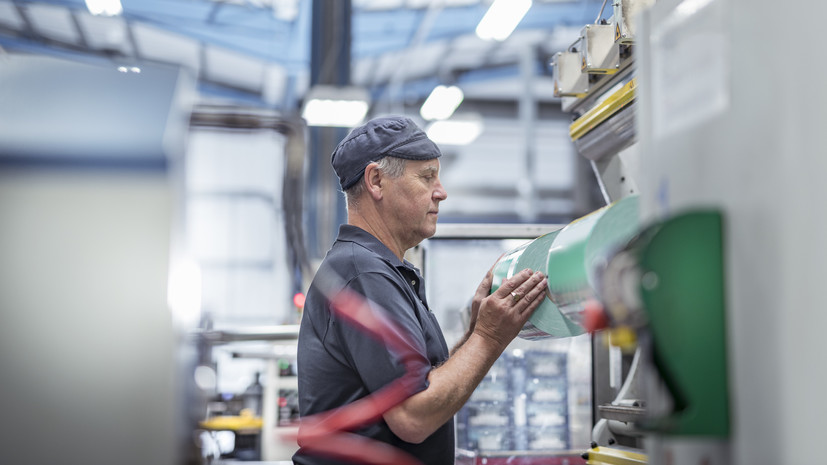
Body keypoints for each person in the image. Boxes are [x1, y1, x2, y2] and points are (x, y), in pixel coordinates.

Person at [293, 116, 548, 465]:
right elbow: (413, 418)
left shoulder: (379, 270)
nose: (441, 191)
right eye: (427, 177)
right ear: (376, 180)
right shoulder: (363, 272)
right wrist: (489, 337)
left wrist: (474, 333)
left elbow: (424, 384)